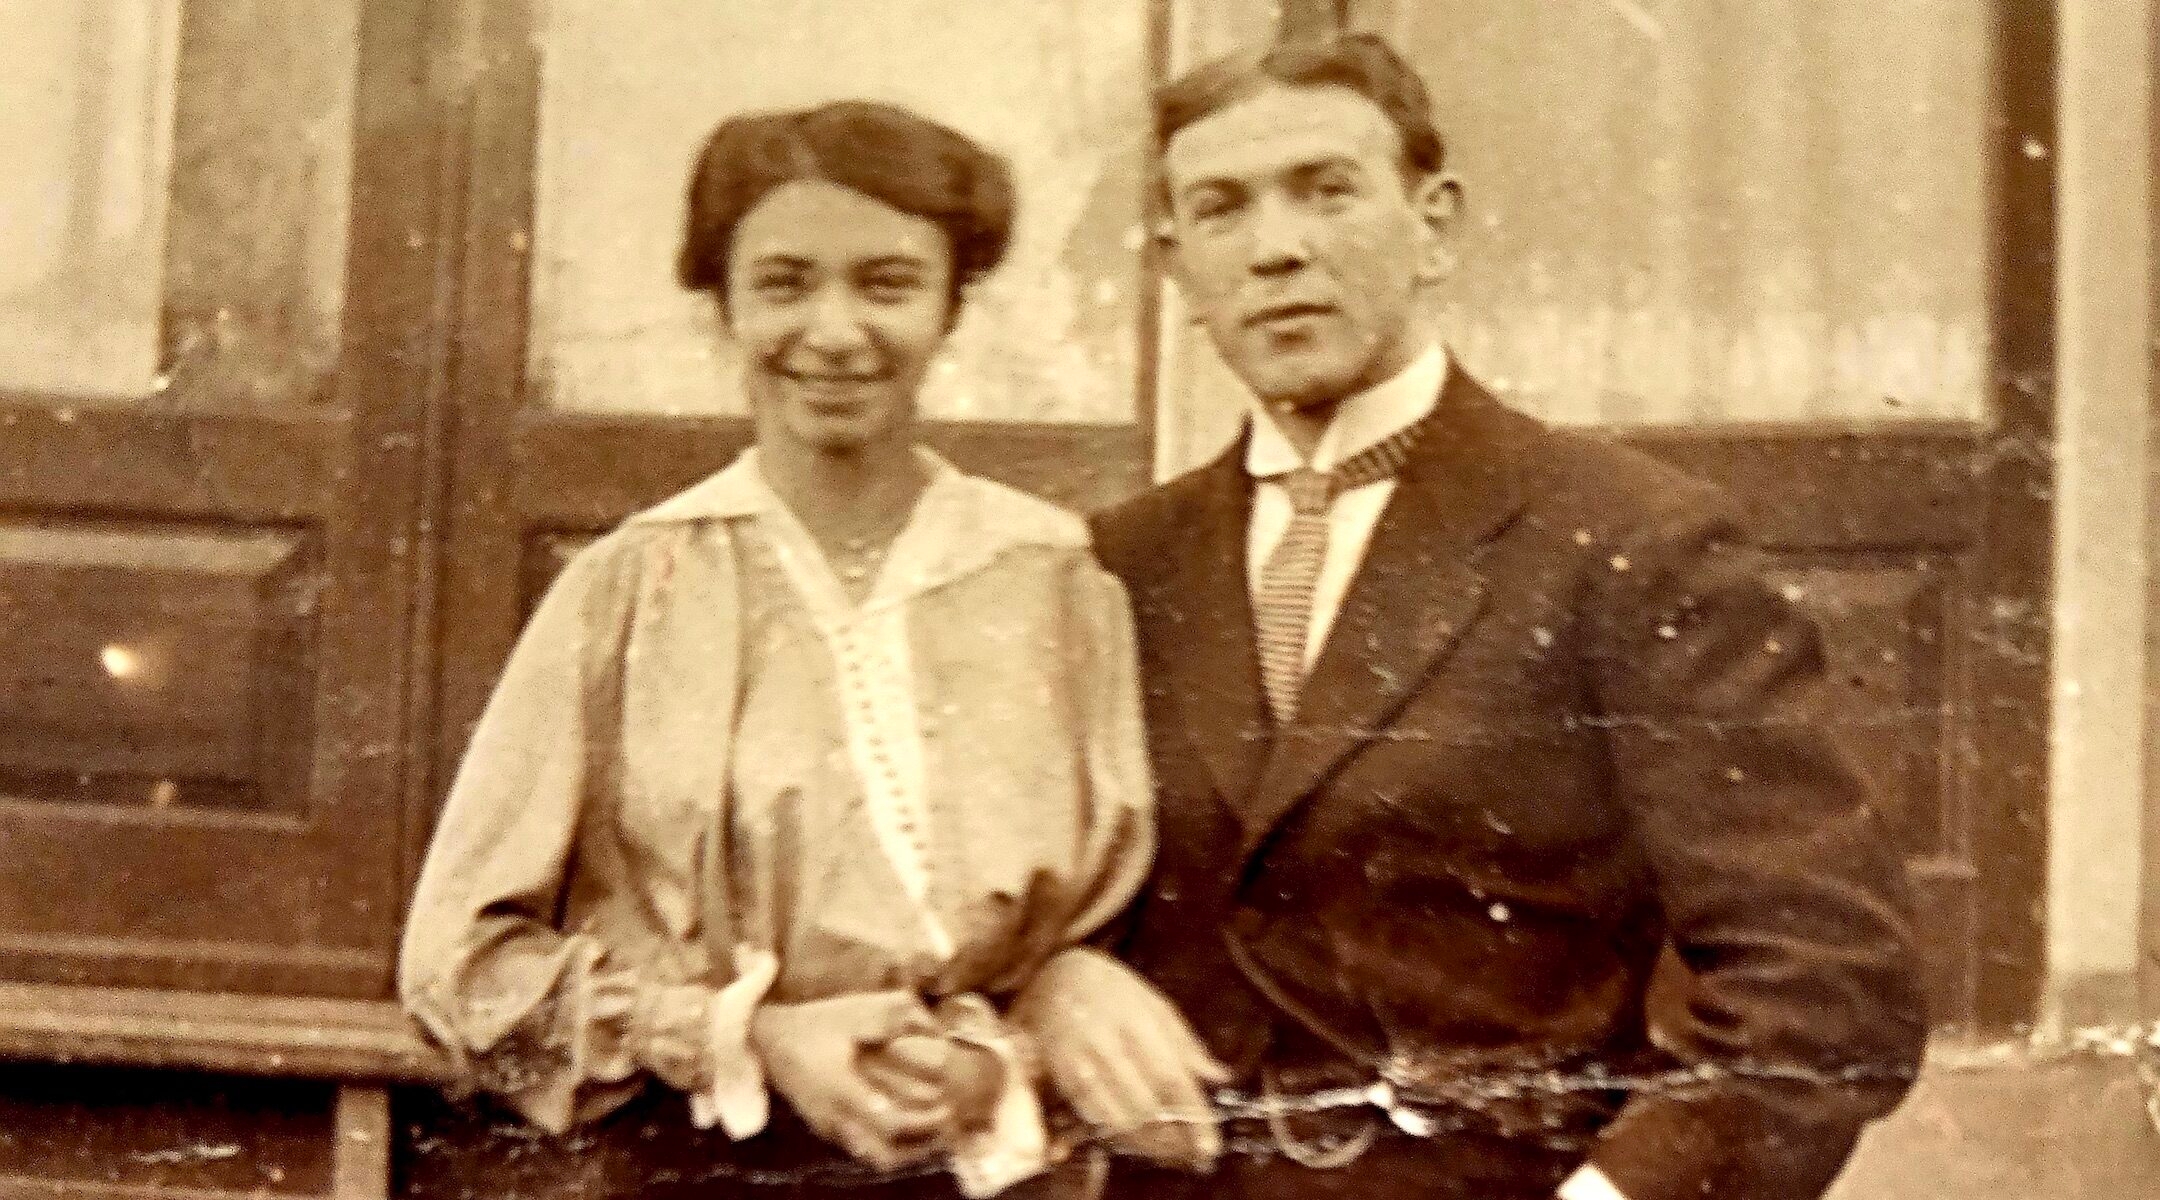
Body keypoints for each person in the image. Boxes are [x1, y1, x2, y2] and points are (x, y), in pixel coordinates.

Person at [1034, 33, 1929, 1200]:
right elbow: (1013, 897)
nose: (1277, 249)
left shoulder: (1629, 542)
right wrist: (1051, 978)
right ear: (1175, 268)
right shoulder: (1118, 561)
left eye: (1326, 190)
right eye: (1222, 209)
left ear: (1436, 224)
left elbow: (1827, 987)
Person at [399, 100, 1176, 1200]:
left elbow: (1135, 923)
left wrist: (1027, 1022)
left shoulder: (1053, 580)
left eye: (888, 282)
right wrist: (749, 1035)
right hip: (696, 1168)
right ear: (721, 304)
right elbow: (457, 971)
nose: (835, 330)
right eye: (784, 281)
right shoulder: (632, 588)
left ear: (954, 304)